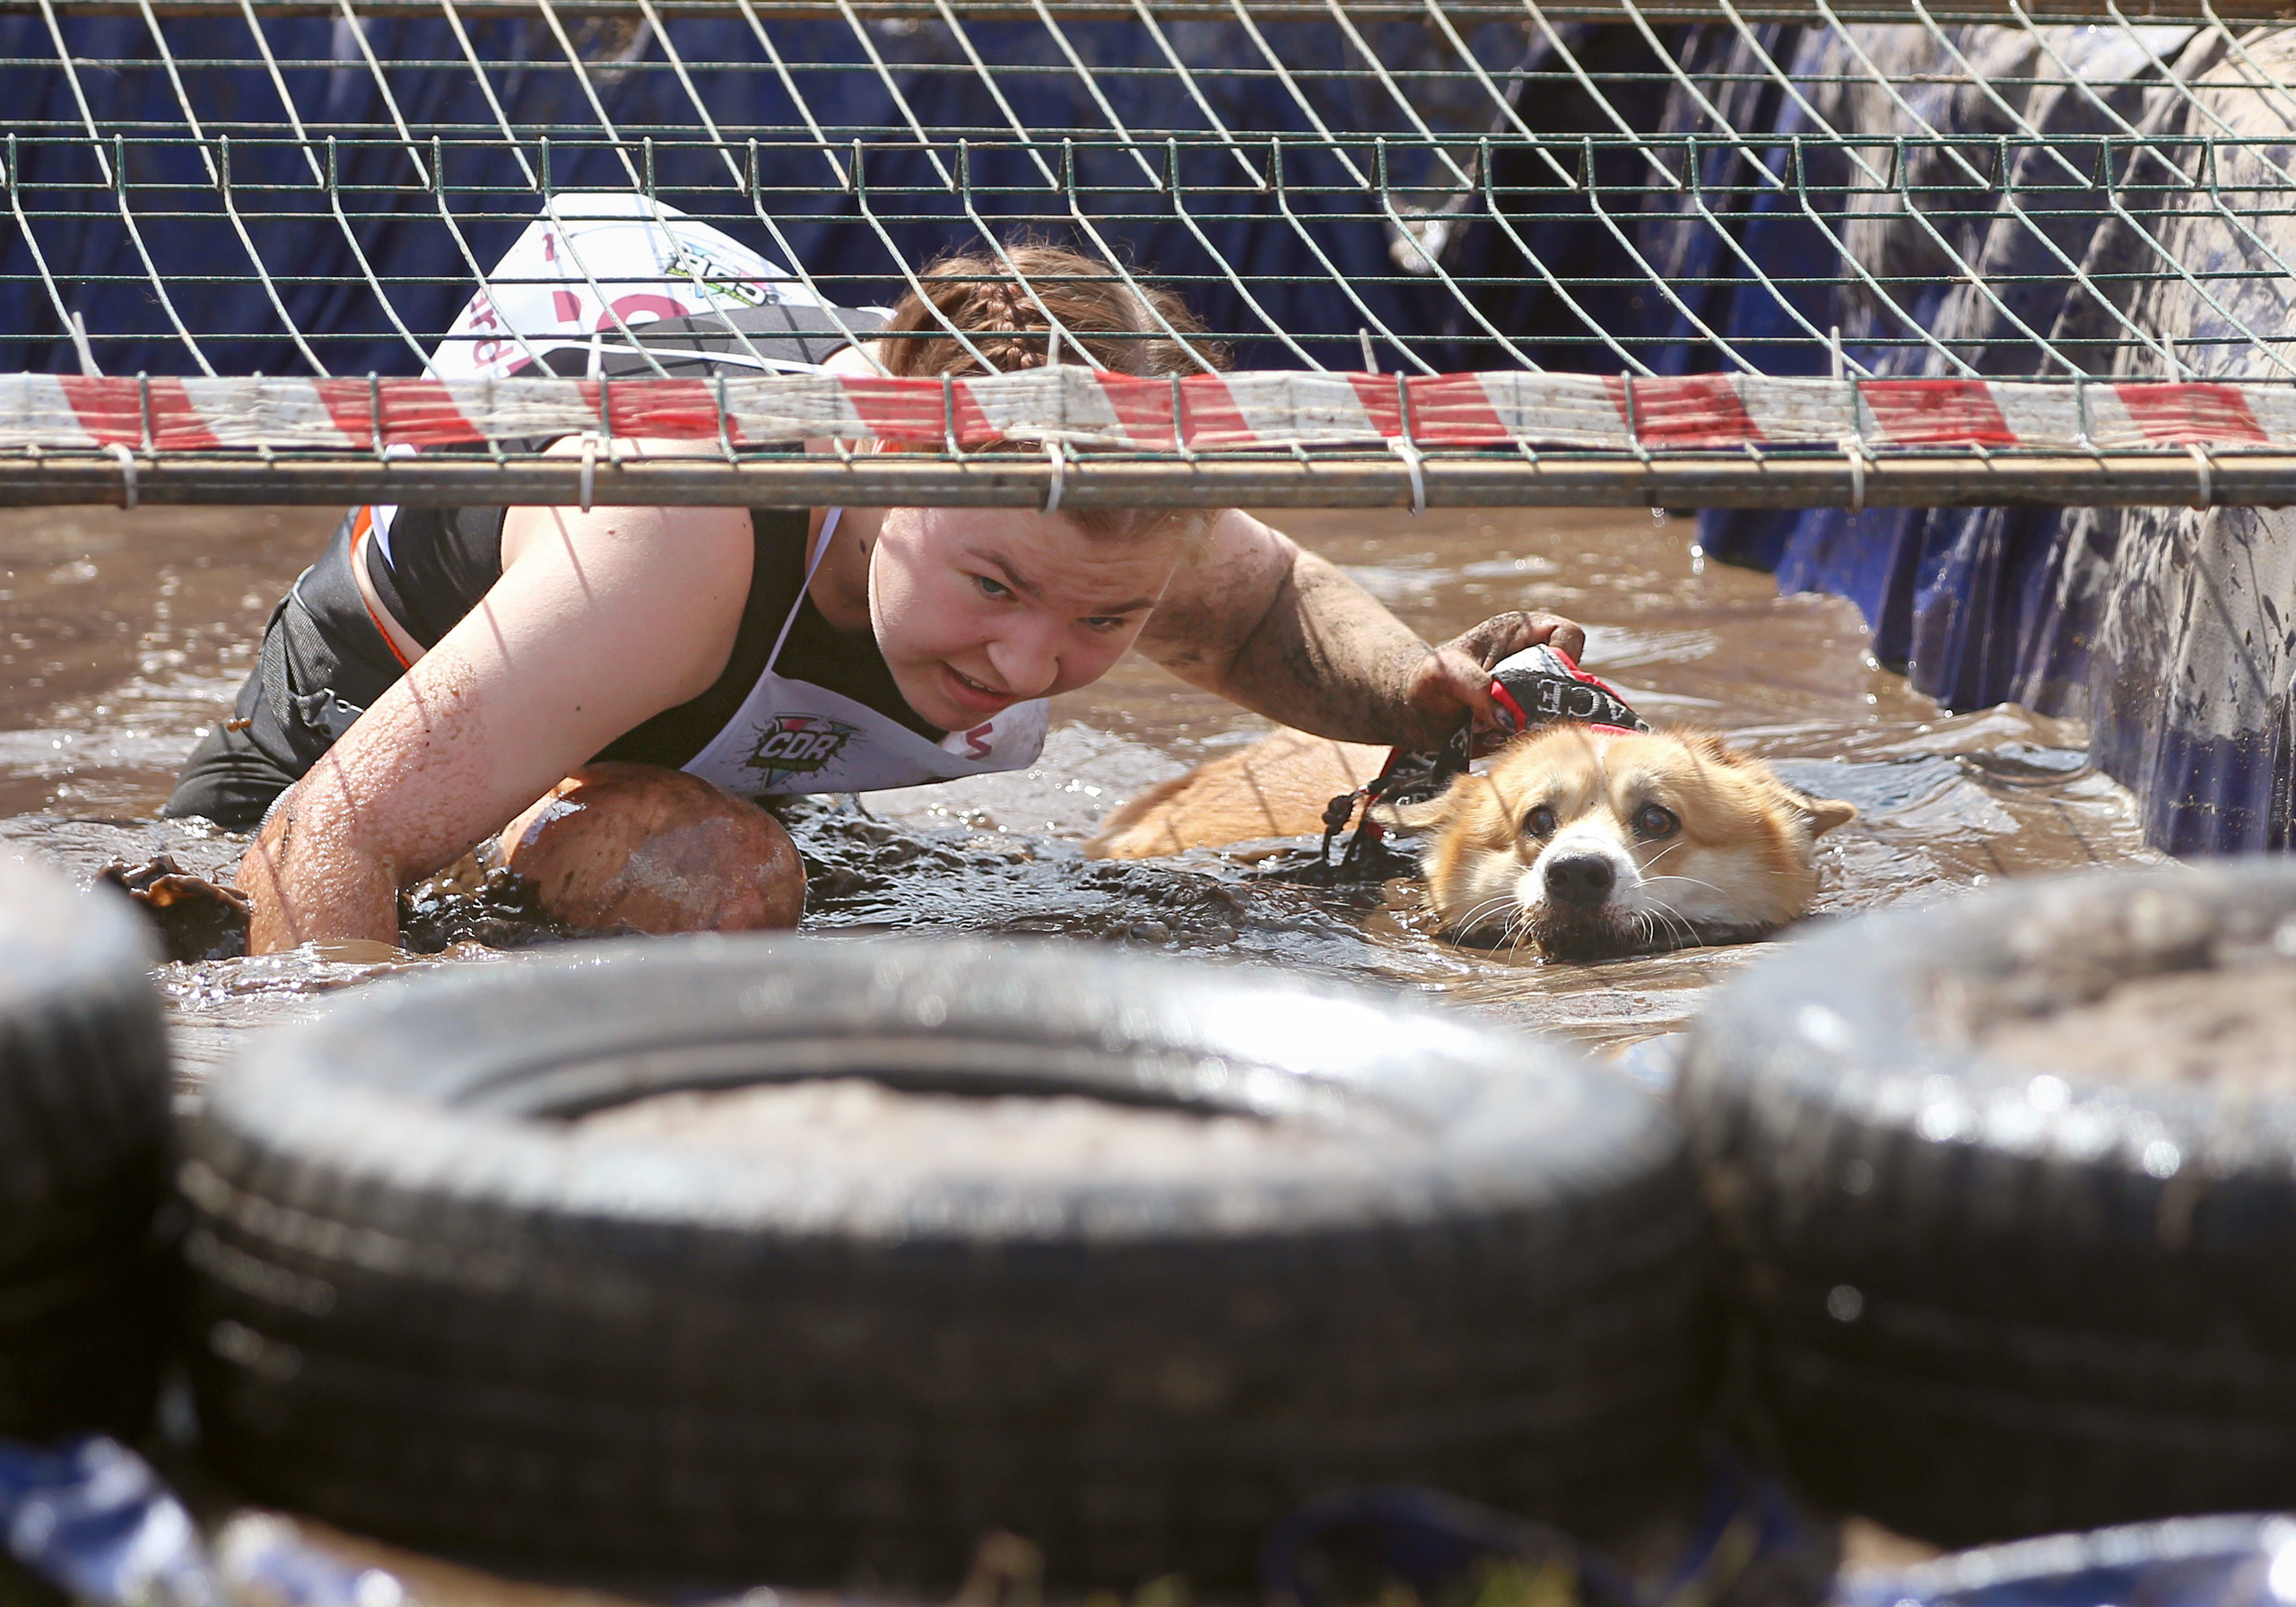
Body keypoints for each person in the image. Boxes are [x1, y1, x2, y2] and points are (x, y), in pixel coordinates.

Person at [169, 199, 1585, 952]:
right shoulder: (680, 530)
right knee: (722, 881)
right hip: (303, 807)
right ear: (879, 465)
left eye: (1105, 622)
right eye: (994, 587)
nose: (1029, 667)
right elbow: (326, 842)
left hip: (639, 786)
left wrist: (1422, 693)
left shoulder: (1109, 503)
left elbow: (1266, 606)